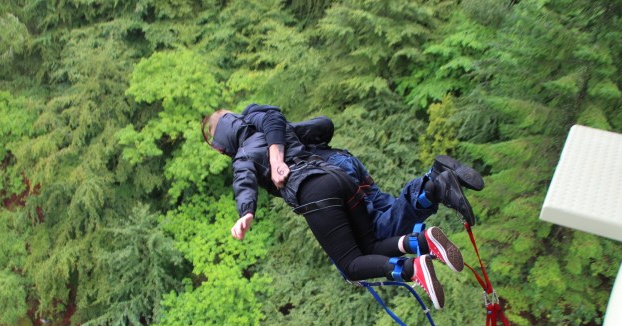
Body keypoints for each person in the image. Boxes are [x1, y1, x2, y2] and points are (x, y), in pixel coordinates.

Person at [201, 106, 472, 310]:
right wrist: (279, 152)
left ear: (223, 145)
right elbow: (319, 125)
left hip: (319, 187)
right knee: (375, 240)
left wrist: (246, 212)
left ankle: (416, 256)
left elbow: (243, 180)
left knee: (351, 264)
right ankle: (424, 229)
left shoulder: (244, 154)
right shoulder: (268, 123)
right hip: (338, 171)